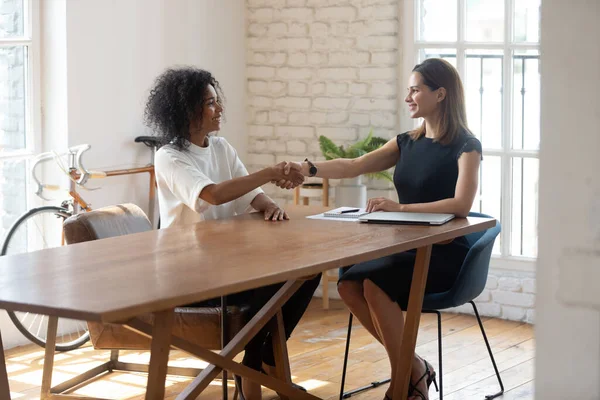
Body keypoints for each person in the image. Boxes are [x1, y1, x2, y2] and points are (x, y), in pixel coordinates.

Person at [279, 58, 482, 400]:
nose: (408, 97)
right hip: (404, 247)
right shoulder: (406, 142)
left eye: (415, 89)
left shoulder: (466, 145)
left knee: (374, 285)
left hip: (445, 253)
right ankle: (414, 368)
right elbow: (355, 165)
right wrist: (308, 167)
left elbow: (461, 204)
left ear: (441, 94)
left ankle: (403, 382)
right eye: (408, 90)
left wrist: (399, 207)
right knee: (348, 283)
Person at [144, 66, 321, 400]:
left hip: (227, 266)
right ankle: (254, 371)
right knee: (270, 283)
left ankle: (259, 362)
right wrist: (269, 172)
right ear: (187, 111)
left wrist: (268, 204)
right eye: (210, 103)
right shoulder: (169, 156)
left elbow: (250, 194)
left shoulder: (220, 147)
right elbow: (213, 194)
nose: (219, 109)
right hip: (188, 275)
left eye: (216, 100)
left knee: (307, 271)